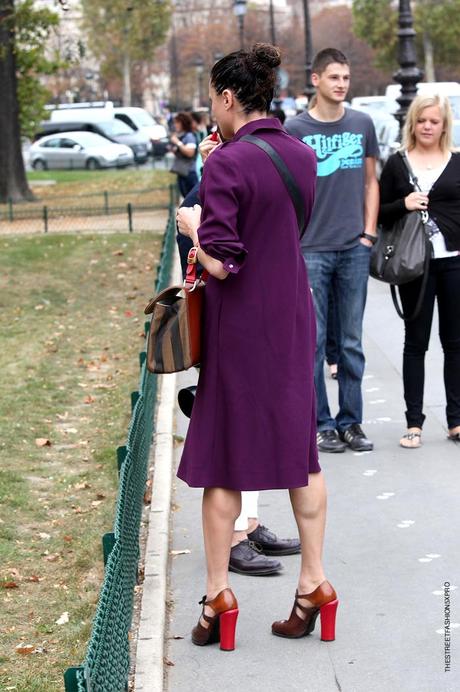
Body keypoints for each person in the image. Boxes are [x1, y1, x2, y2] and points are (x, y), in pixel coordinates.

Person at [176, 43, 338, 651]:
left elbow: (223, 263)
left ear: (226, 97)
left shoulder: (225, 164)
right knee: (303, 450)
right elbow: (278, 228)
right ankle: (314, 582)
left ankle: (219, 595)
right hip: (292, 313)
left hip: (241, 325)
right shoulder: (301, 153)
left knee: (223, 455)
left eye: (213, 101)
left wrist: (194, 229)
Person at [176, 181, 300, 576]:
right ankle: (231, 540)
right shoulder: (216, 181)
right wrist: (195, 227)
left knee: (249, 424)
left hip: (249, 318)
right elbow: (211, 265)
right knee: (231, 430)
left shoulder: (244, 170)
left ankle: (246, 524)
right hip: (225, 320)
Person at [285, 48, 380, 453]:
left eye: (346, 77)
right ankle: (322, 424)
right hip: (310, 251)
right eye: (334, 77)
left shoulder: (362, 123)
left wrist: (368, 234)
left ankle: (351, 422)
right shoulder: (295, 129)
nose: (342, 84)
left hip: (353, 248)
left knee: (351, 342)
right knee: (314, 341)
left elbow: (371, 181)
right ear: (316, 79)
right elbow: (284, 190)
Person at [378, 93, 460, 448]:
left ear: (444, 125)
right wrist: (404, 203)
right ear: (413, 122)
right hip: (415, 267)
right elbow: (378, 211)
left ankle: (456, 421)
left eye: (434, 121)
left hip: (454, 262)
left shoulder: (456, 162)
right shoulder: (398, 163)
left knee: (455, 344)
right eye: (422, 120)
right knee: (416, 343)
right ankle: (414, 423)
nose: (428, 127)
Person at [169, 112, 199, 197]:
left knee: (190, 201)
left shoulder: (189, 136)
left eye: (177, 122)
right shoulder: (183, 136)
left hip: (189, 173)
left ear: (183, 123)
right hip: (183, 173)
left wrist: (178, 143)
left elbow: (190, 153)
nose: (175, 125)